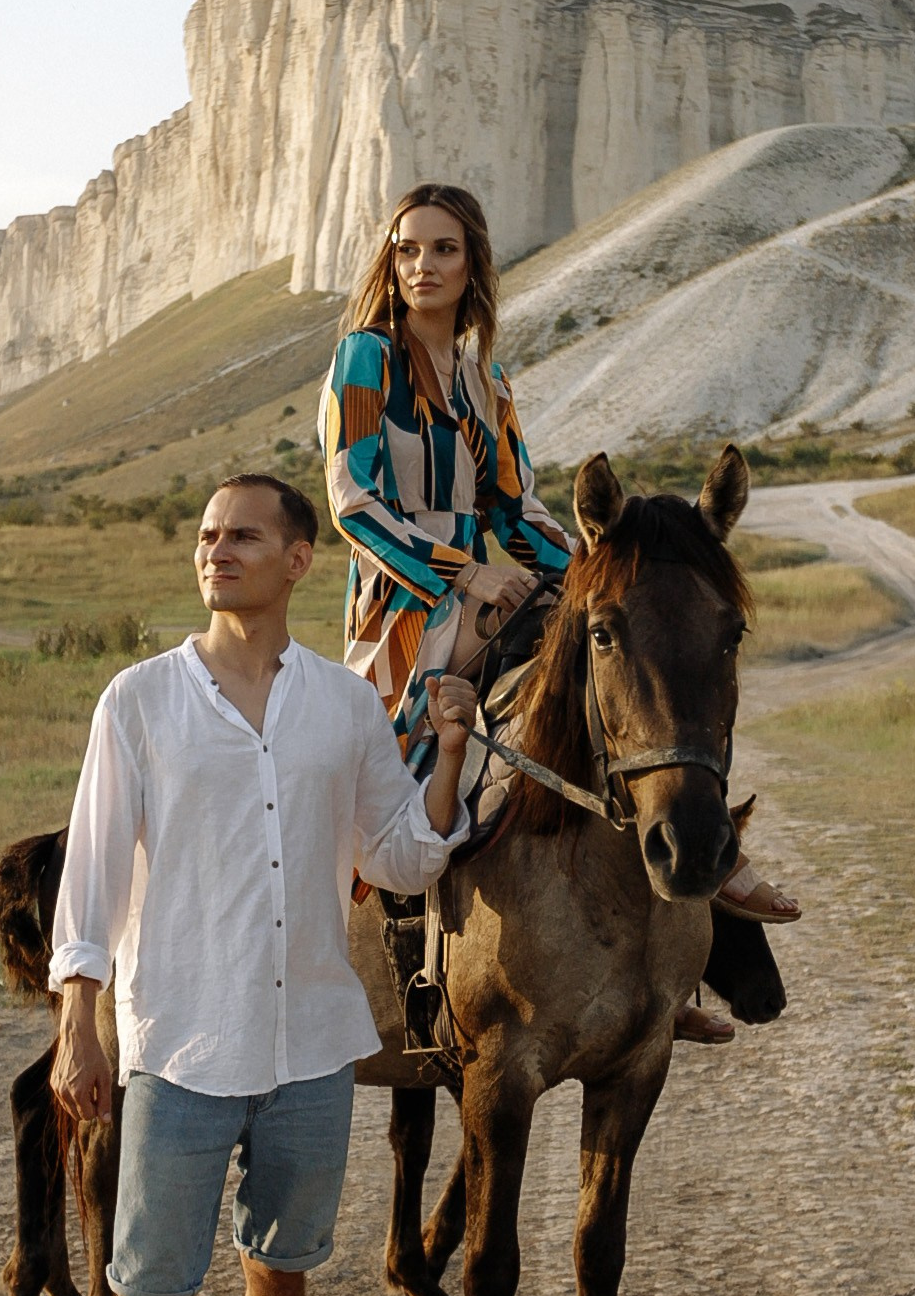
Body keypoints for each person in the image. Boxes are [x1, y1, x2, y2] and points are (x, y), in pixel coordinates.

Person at [0, 472, 479, 1296]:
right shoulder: (142, 700)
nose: (216, 551)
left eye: (242, 536)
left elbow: (404, 859)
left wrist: (454, 744)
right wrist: (79, 1019)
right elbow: (94, 875)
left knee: (281, 1277)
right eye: (205, 535)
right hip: (184, 1046)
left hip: (310, 1045)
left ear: (299, 559)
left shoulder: (344, 706)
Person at [319, 183, 799, 1039]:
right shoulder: (368, 358)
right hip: (404, 604)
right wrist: (468, 577)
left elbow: (516, 506)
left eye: (443, 249)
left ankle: (650, 967)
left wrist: (600, 572)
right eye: (406, 250)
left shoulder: (484, 379)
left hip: (485, 588)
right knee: (417, 758)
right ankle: (426, 959)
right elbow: (353, 501)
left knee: (629, 680)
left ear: (474, 267)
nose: (422, 266)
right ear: (390, 266)